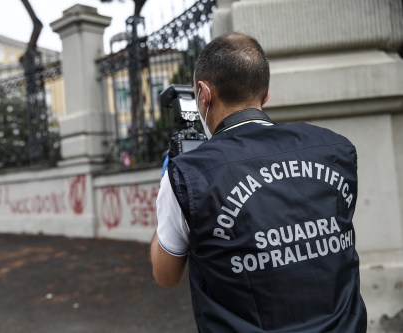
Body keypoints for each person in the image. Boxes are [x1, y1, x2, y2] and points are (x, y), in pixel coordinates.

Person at [150, 33, 367, 333]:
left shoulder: (189, 175)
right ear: (265, 95)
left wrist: (168, 186)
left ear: (203, 94)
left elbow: (166, 275)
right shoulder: (336, 149)